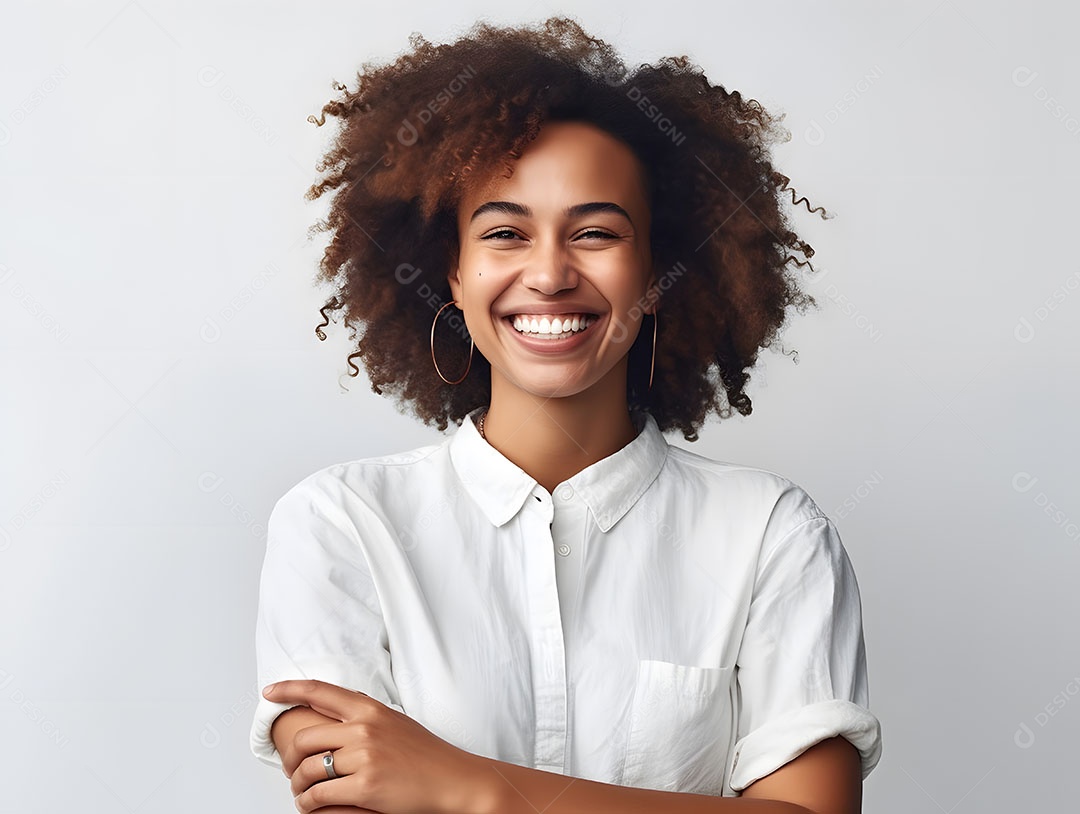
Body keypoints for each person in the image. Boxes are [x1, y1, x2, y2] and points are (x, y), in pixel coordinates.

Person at [249, 16, 882, 814]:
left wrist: (471, 787)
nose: (549, 274)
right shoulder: (340, 525)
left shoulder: (773, 535)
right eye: (505, 232)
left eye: (595, 232)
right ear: (451, 269)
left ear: (656, 272)